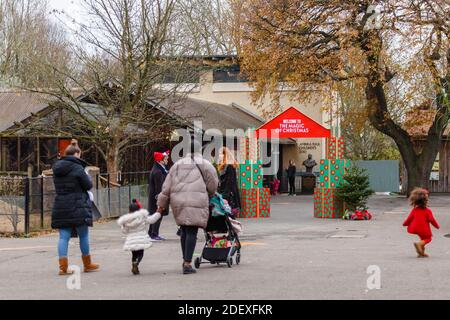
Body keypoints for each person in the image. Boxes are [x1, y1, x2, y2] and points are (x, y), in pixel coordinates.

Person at [156, 139, 218, 274]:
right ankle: (188, 263)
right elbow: (213, 183)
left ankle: (185, 259)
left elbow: (166, 187)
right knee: (191, 231)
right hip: (196, 200)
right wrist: (211, 194)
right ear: (199, 150)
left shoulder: (176, 165)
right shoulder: (206, 164)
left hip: (178, 201)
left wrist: (161, 205)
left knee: (184, 229)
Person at [51, 139, 99, 275]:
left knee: (63, 236)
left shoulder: (57, 168)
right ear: (77, 154)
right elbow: (88, 185)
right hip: (78, 204)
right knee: (83, 235)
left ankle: (63, 267)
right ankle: (87, 264)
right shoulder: (78, 168)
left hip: (61, 203)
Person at [117, 199, 162, 275]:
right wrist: (158, 212)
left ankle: (134, 263)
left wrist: (123, 226)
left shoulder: (127, 220)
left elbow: (124, 231)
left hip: (131, 240)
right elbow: (152, 220)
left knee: (134, 254)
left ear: (129, 210)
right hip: (141, 239)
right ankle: (137, 263)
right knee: (141, 253)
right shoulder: (142, 217)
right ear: (138, 209)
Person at [403, 188, 440, 258]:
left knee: (423, 239)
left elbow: (409, 218)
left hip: (415, 228)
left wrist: (405, 224)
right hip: (424, 228)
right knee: (428, 239)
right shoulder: (427, 211)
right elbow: (432, 219)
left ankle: (421, 253)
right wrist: (437, 226)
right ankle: (419, 244)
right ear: (425, 201)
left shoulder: (414, 210)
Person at [148, 150, 170, 241]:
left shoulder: (159, 169)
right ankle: (154, 234)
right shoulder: (158, 171)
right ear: (160, 160)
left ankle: (151, 233)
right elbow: (159, 187)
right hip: (157, 197)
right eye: (165, 159)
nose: (167, 160)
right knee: (157, 215)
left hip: (155, 196)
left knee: (155, 215)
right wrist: (160, 200)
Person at [217, 147, 241, 218]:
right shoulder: (224, 166)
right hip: (224, 192)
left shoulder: (229, 166)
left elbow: (230, 182)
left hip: (228, 194)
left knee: (229, 214)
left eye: (221, 154)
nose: (219, 156)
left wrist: (225, 194)